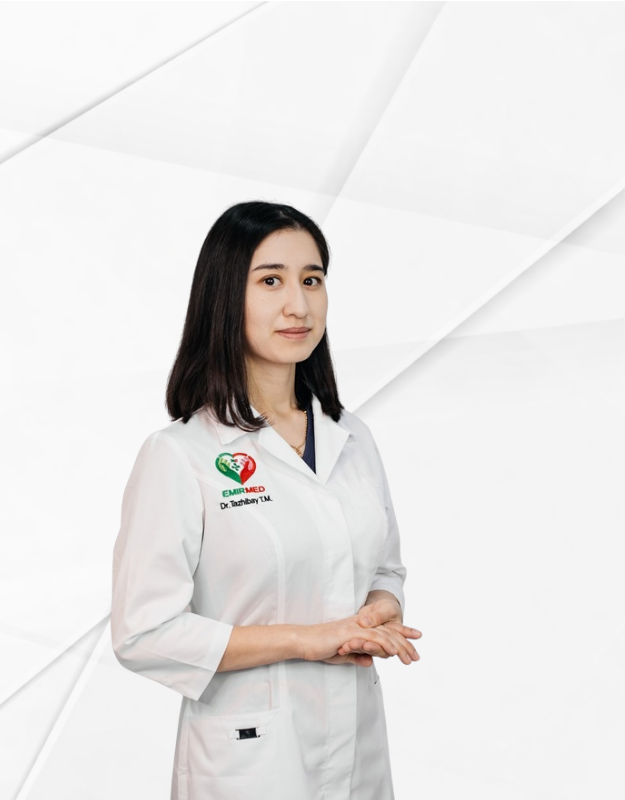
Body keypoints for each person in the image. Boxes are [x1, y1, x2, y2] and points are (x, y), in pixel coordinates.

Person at [111, 200, 422, 800]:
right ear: (225, 295)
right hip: (249, 760)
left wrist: (380, 607)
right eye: (271, 281)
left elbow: (386, 567)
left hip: (358, 743)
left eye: (312, 280)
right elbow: (143, 633)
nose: (298, 305)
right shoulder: (181, 454)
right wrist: (307, 638)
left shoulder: (351, 436)